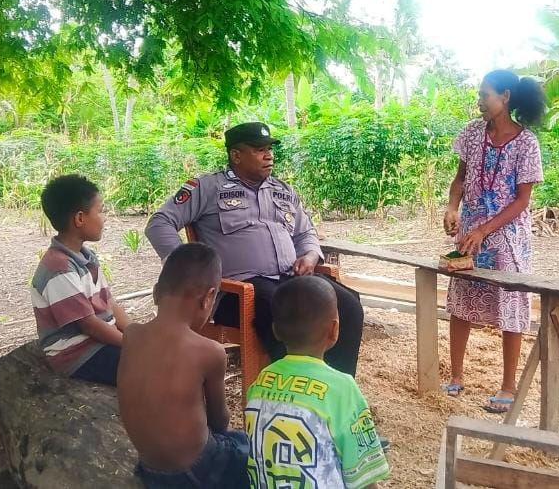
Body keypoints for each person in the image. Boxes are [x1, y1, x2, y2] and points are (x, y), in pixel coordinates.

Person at [145, 122, 364, 377]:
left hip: (289, 279)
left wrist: (310, 255)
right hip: (240, 290)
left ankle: (336, 389)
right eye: (259, 149)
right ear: (236, 155)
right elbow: (159, 223)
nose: (269, 155)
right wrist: (189, 271)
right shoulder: (208, 188)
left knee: (348, 306)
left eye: (270, 149)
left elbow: (305, 232)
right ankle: (294, 391)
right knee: (287, 311)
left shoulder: (283, 191)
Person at [442, 70, 545, 413]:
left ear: (506, 97)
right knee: (462, 300)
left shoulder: (527, 143)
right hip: (470, 232)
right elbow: (460, 179)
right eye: (479, 94)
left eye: (485, 94)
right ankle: (456, 375)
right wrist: (452, 206)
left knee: (510, 305)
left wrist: (485, 230)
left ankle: (508, 385)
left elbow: (521, 201)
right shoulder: (472, 133)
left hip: (507, 237)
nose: (479, 100)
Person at [119, 243, 249, 489]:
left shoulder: (132, 335)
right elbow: (219, 420)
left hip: (149, 470)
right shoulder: (210, 352)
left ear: (156, 292)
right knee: (244, 443)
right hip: (195, 472)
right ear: (208, 298)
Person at [244, 276, 389, 489]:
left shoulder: (260, 382)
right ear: (334, 330)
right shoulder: (342, 389)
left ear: (275, 331)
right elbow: (364, 479)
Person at [31, 174, 130, 385]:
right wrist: (133, 344)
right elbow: (90, 325)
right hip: (78, 354)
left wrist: (137, 333)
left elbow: (109, 302)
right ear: (79, 218)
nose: (104, 219)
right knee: (154, 366)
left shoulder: (86, 257)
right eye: (100, 211)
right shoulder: (58, 268)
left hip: (99, 343)